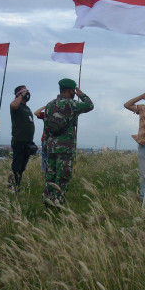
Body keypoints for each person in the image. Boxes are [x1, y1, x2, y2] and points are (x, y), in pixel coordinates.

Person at [42, 78, 94, 206]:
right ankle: (58, 203)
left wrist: (46, 146)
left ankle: (48, 200)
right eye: (73, 90)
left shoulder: (49, 105)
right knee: (63, 176)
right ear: (71, 90)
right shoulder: (71, 105)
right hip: (65, 148)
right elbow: (89, 105)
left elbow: (46, 126)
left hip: (51, 146)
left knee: (50, 175)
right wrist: (81, 94)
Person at [8, 85, 36, 191]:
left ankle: (17, 185)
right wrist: (20, 96)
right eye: (25, 91)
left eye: (28, 91)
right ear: (19, 94)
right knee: (16, 166)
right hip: (19, 140)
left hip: (28, 142)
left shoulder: (27, 108)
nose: (27, 93)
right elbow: (13, 105)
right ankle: (11, 187)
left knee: (22, 167)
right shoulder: (16, 105)